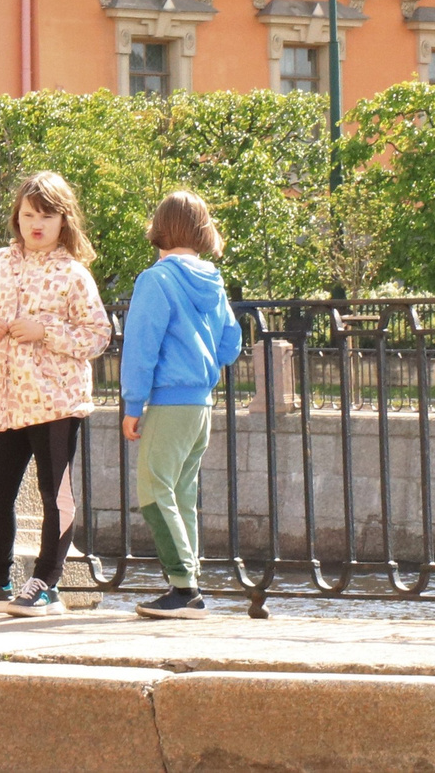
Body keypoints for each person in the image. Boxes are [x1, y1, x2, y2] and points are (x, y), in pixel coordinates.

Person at [0, 171, 112, 617]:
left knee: (53, 490)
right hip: (4, 401)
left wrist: (46, 332)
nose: (36, 223)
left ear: (64, 221)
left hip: (56, 402)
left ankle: (47, 583)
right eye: (28, 215)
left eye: (46, 216)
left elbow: (98, 335)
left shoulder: (74, 274)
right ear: (16, 217)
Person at [120, 190, 244, 621]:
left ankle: (183, 587)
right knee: (183, 493)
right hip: (202, 405)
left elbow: (141, 347)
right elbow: (232, 344)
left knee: (154, 490)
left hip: (170, 402)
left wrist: (133, 403)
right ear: (202, 232)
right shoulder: (213, 280)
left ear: (159, 229)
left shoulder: (155, 280)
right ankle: (189, 583)